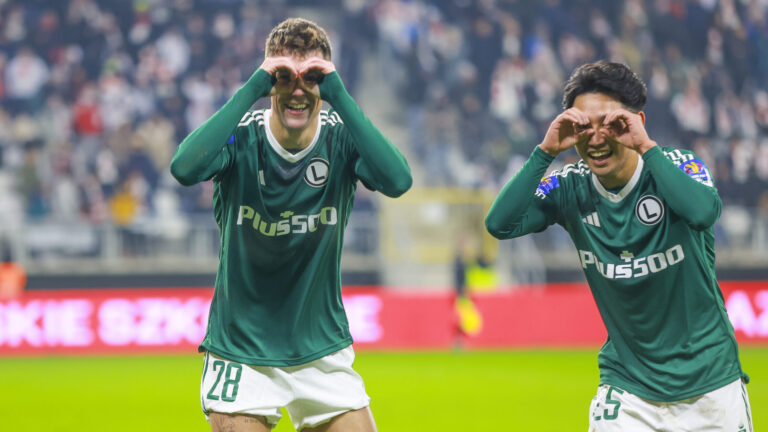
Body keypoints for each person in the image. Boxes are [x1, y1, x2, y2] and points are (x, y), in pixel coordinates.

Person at [170, 17, 412, 432]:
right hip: (241, 349)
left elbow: (398, 181)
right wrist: (251, 89)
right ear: (269, 82)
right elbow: (184, 168)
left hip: (320, 347)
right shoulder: (241, 137)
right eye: (285, 78)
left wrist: (337, 92)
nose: (298, 91)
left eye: (312, 77)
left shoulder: (341, 139)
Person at [485, 61, 753, 431]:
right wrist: (545, 152)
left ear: (636, 120)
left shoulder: (676, 165)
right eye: (583, 126)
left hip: (709, 388)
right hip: (628, 392)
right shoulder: (570, 187)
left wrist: (646, 146)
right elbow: (499, 224)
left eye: (609, 123)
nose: (595, 138)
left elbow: (704, 212)